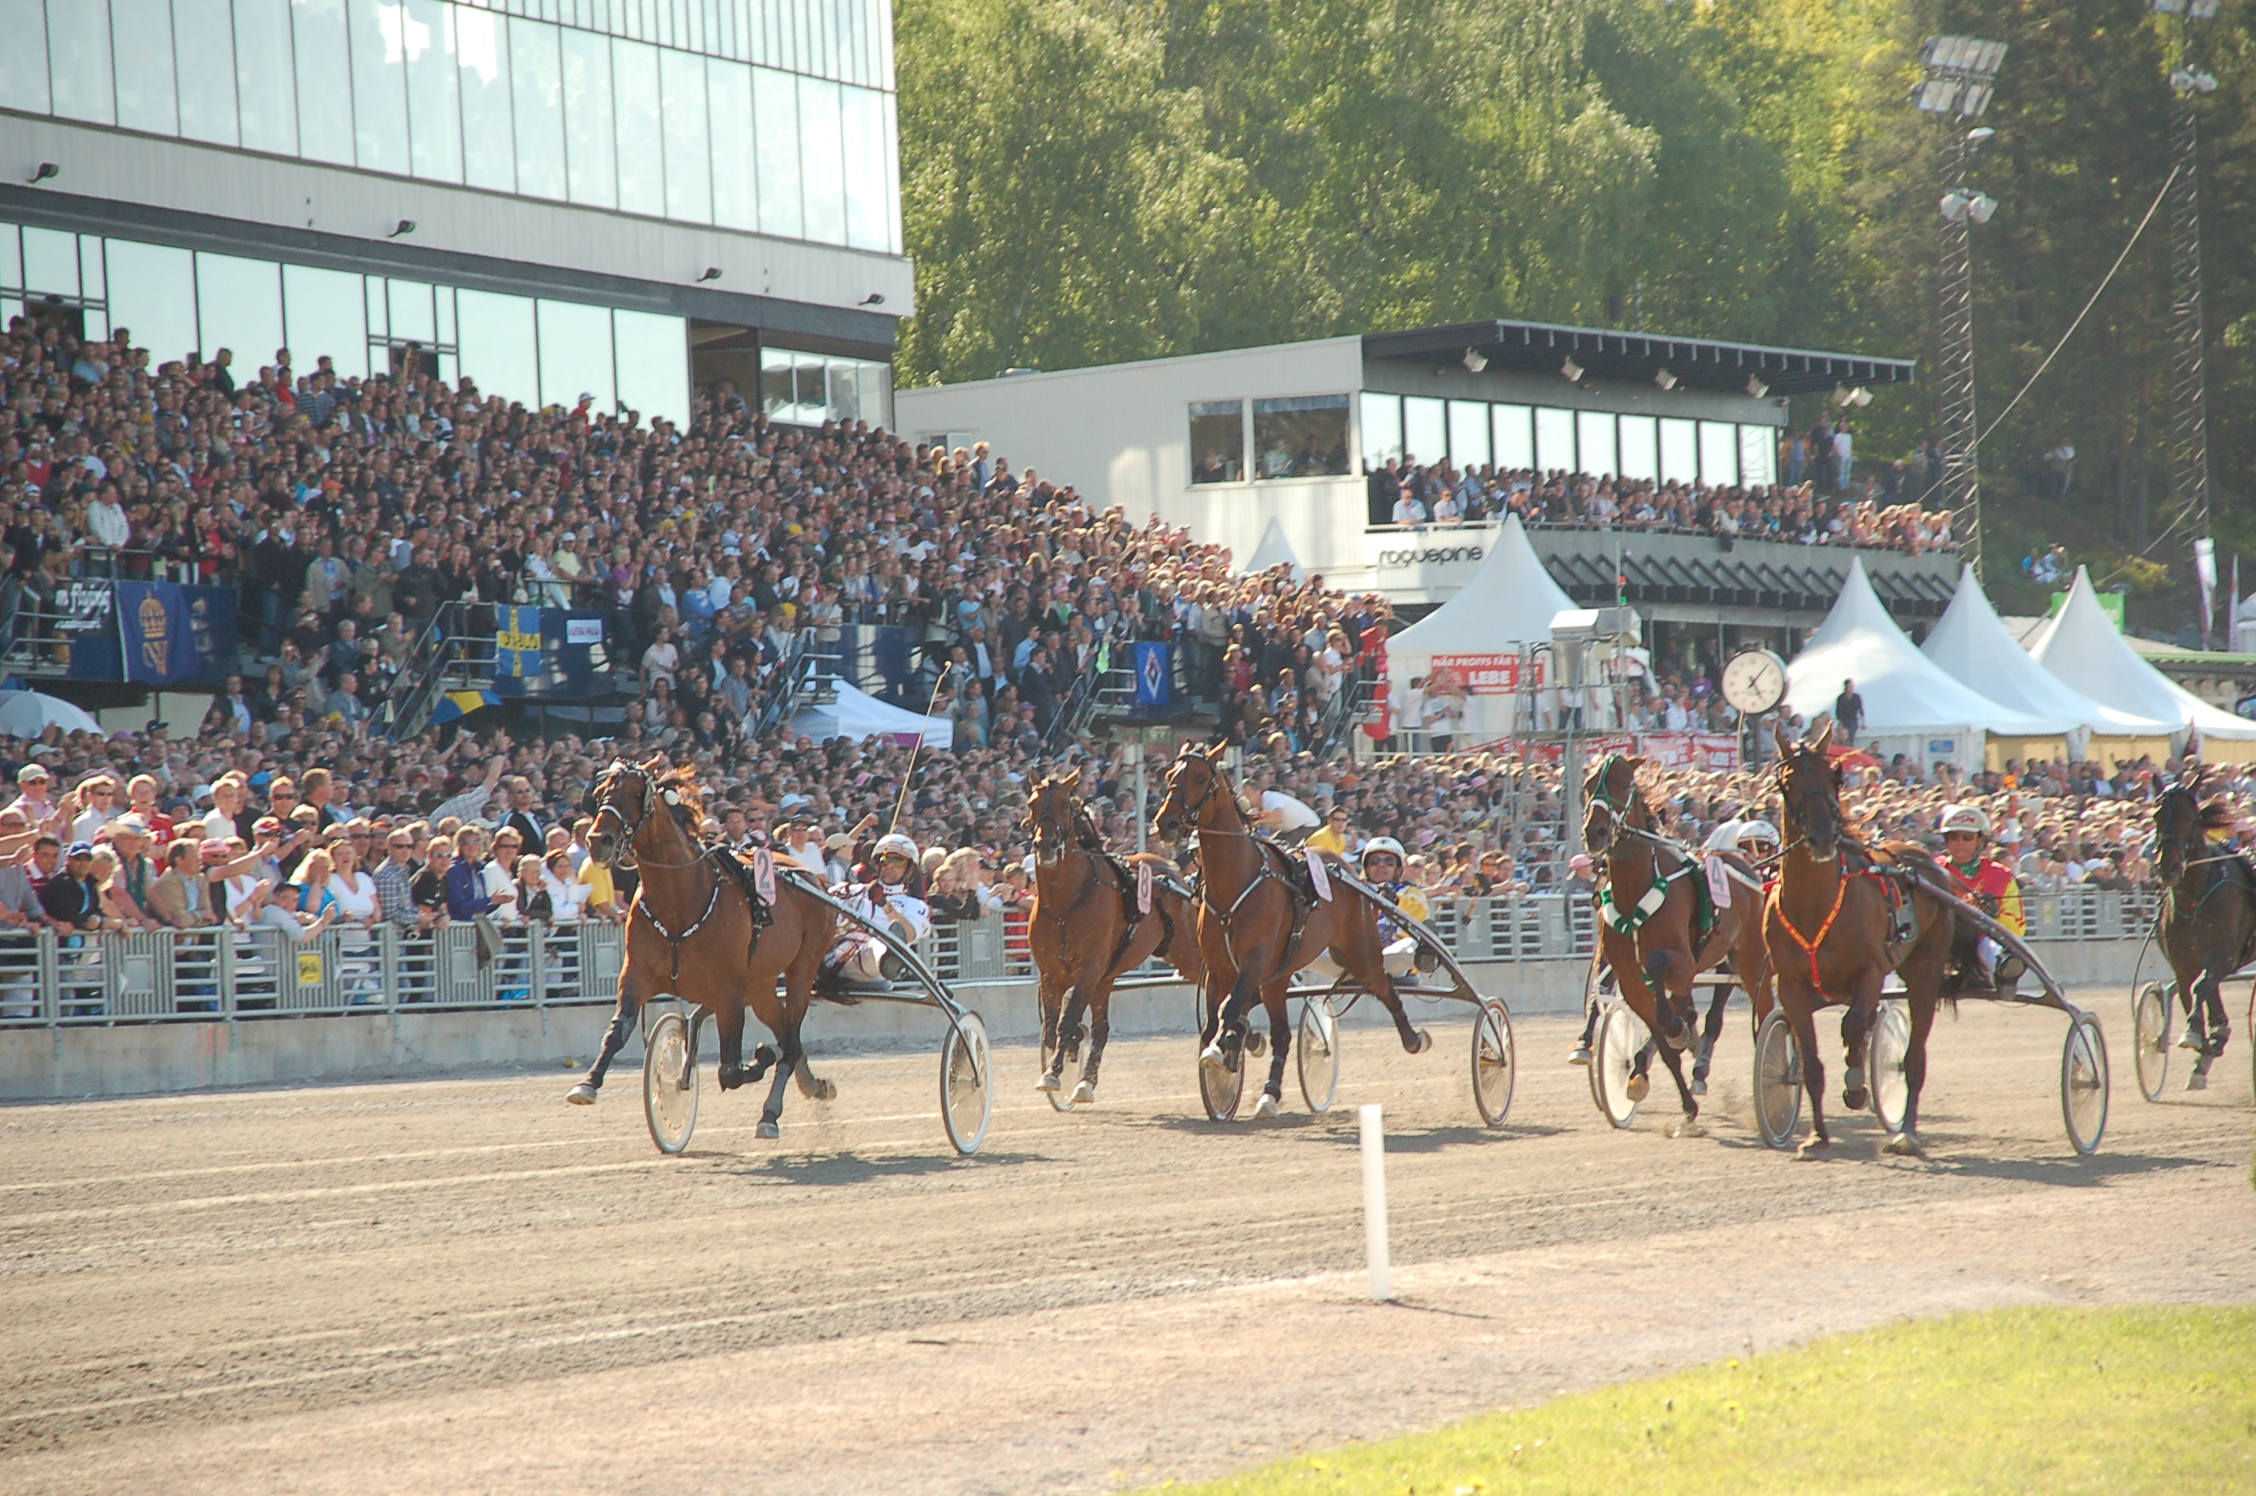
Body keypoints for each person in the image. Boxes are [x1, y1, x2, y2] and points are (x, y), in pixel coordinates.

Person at [823, 832, 932, 987]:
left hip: (873, 967)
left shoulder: (915, 905)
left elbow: (908, 935)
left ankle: (889, 958)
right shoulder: (849, 890)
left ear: (910, 869)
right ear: (876, 864)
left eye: (898, 860)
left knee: (880, 945)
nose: (890, 865)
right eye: (885, 859)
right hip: (835, 958)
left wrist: (885, 905)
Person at [1938, 805, 2024, 991]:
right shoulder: (1934, 871)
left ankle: (2003, 970)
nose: (1959, 843)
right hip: (1941, 939)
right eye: (1953, 837)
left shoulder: (2002, 876)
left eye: (1967, 838)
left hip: (1982, 940)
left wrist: (1996, 915)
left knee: (1990, 945)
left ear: (1981, 841)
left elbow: (2018, 928)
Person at [1353, 836, 1432, 981]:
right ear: (1367, 867)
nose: (1381, 865)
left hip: (1389, 959)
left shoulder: (1411, 893)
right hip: (1355, 960)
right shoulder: (1353, 893)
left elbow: (1416, 912)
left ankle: (1427, 954)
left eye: (1389, 862)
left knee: (1409, 946)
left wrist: (1393, 900)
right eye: (1375, 861)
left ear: (1398, 868)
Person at [1834, 678, 1864, 747]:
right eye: (1849, 687)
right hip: (1844, 720)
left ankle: (1850, 747)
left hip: (1853, 720)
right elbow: (1838, 711)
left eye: (1852, 687)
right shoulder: (1841, 698)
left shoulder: (1856, 697)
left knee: (1851, 735)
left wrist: (1863, 723)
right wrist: (1840, 722)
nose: (1851, 688)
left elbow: (1861, 710)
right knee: (1843, 735)